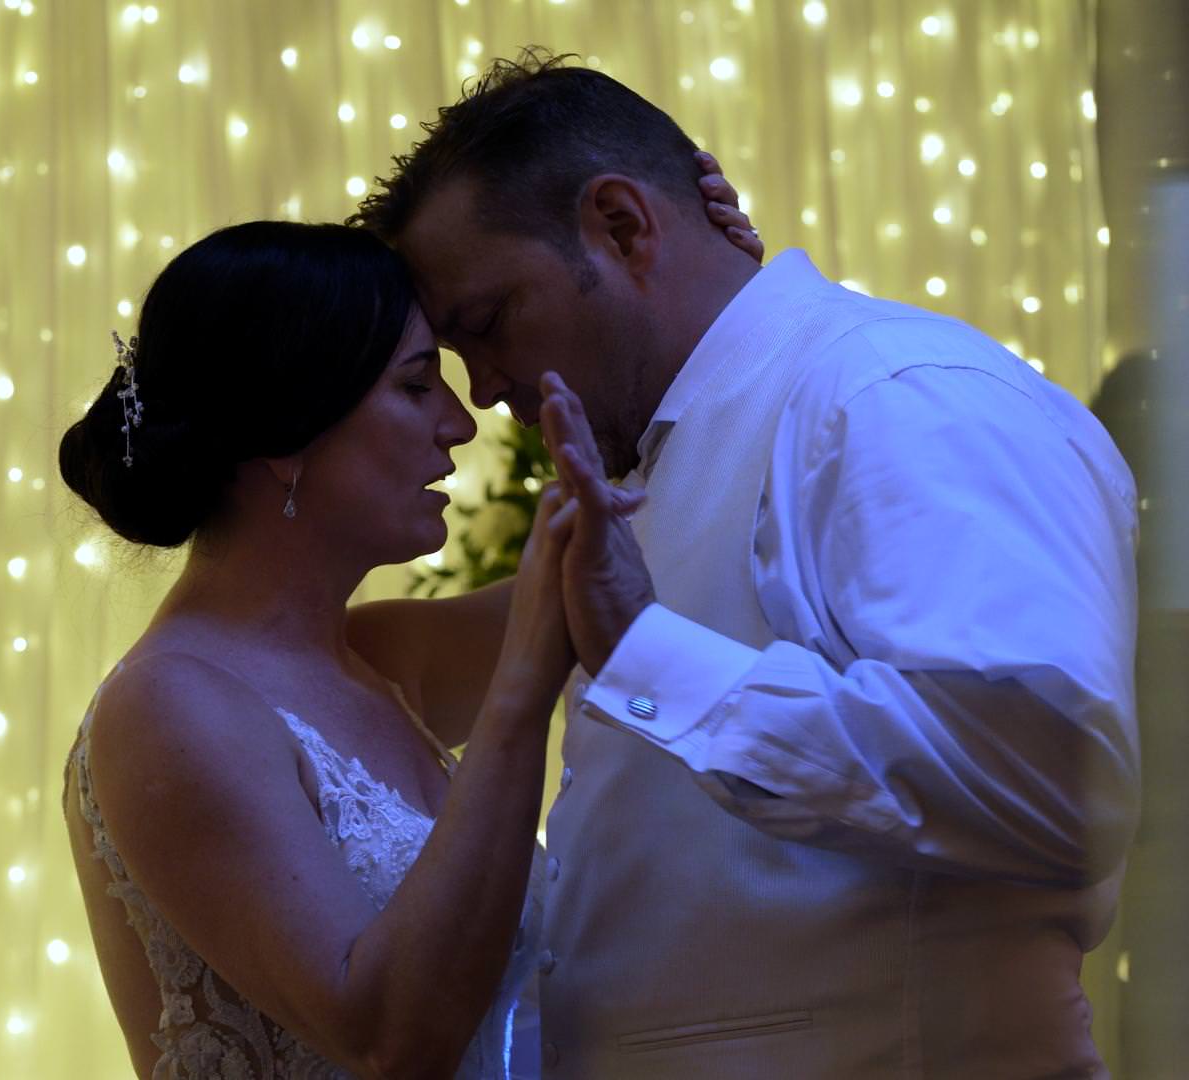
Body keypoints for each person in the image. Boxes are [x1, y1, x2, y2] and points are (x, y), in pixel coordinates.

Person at [351, 50, 1141, 1076]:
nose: (488, 389)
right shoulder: (666, 457)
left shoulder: (895, 395)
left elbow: (1053, 787)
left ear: (625, 227)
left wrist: (650, 652)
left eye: (491, 324)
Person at [59, 178, 761, 1075]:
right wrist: (516, 694)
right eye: (416, 385)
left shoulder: (382, 657)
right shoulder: (170, 708)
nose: (458, 424)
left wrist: (705, 299)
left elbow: (666, 548)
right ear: (285, 432)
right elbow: (388, 1036)